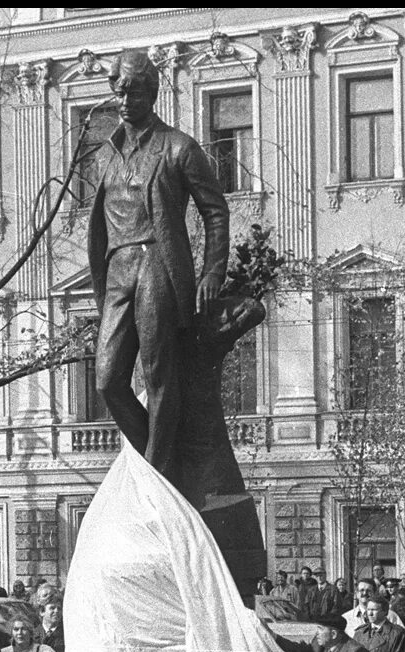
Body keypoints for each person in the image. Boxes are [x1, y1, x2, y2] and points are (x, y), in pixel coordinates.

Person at [87, 49, 228, 487]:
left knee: (158, 373)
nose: (126, 99)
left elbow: (215, 211)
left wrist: (212, 272)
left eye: (135, 90)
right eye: (120, 90)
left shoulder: (178, 147)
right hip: (117, 270)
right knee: (108, 381)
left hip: (158, 265)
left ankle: (157, 474)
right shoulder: (104, 157)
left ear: (152, 93)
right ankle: (163, 460)